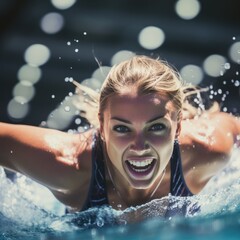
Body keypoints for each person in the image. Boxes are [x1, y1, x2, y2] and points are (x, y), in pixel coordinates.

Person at [0, 55, 239, 218]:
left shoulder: (206, 149)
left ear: (177, 127)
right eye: (122, 128)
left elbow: (234, 126)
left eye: (156, 127)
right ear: (102, 127)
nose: (139, 146)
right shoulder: (68, 166)